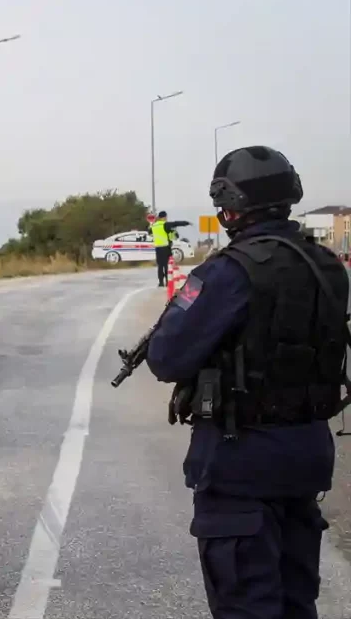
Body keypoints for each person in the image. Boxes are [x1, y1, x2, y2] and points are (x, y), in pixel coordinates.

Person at [145, 145, 350, 619]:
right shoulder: (327, 265)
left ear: (231, 206)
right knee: (296, 601)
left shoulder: (228, 271)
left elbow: (166, 357)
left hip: (242, 461)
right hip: (307, 454)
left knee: (247, 605)